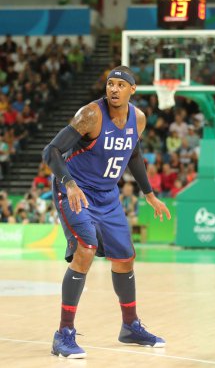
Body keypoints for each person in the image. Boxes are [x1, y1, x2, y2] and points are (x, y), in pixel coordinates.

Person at [43, 65, 171, 359]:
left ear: (132, 90)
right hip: (76, 191)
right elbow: (51, 151)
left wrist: (149, 194)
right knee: (85, 249)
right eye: (110, 84)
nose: (113, 89)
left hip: (108, 196)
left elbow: (133, 155)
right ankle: (63, 333)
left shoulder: (138, 119)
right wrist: (70, 184)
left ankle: (130, 327)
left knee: (125, 259)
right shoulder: (90, 115)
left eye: (120, 85)